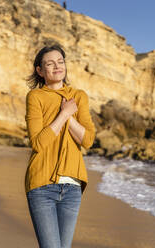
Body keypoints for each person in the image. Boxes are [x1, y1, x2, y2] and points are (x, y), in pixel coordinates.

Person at [25, 44, 96, 248]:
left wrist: (70, 117)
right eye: (50, 63)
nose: (57, 67)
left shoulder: (79, 96)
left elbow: (88, 140)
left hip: (73, 186)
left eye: (60, 61)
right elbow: (38, 143)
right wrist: (64, 114)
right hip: (41, 185)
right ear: (40, 70)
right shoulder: (36, 97)